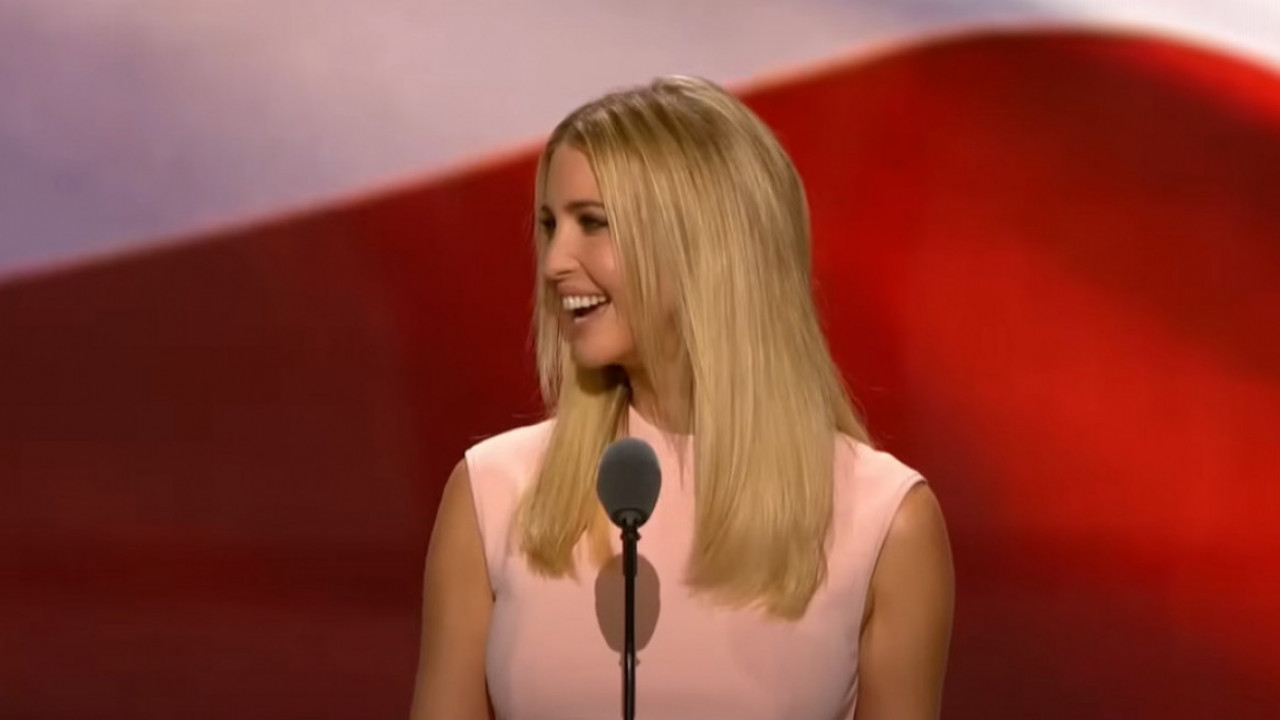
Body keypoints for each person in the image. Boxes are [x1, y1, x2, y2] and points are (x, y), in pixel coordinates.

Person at [410, 75, 954, 720]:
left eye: (593, 223)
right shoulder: (493, 496)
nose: (554, 261)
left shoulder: (885, 521)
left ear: (706, 245)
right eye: (550, 225)